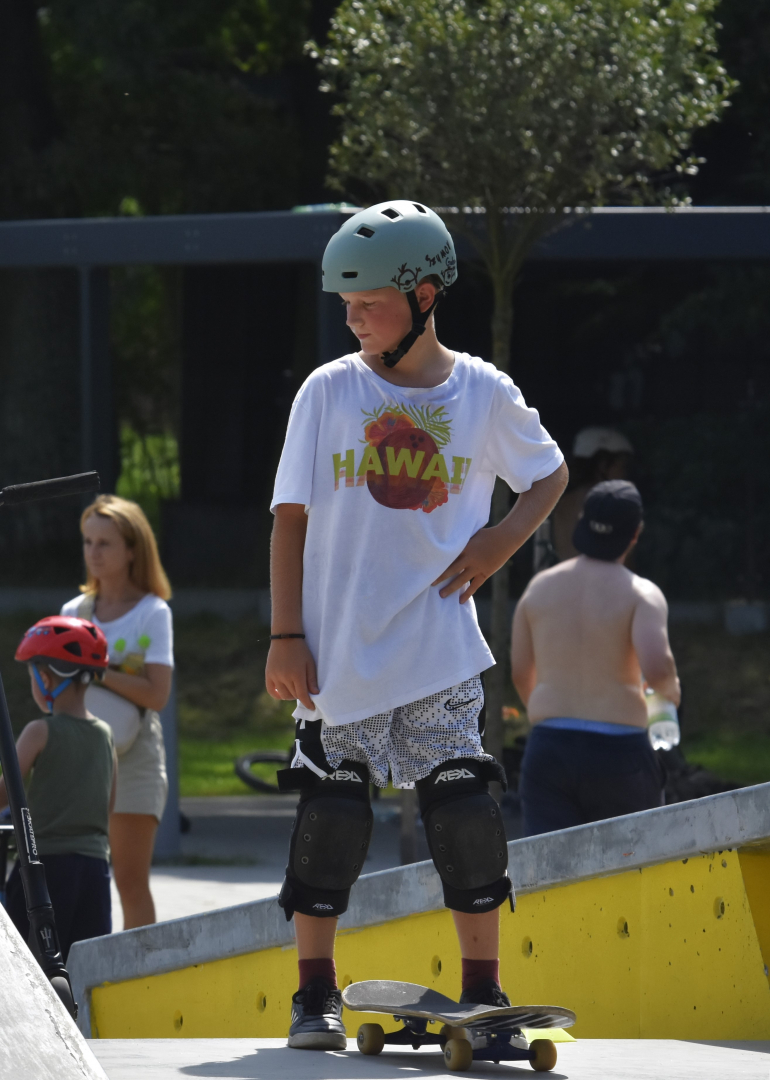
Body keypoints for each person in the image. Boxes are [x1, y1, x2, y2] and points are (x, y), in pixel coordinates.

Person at [264, 201, 568, 1050]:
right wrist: (285, 634)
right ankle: (313, 995)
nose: (353, 318)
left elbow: (546, 474)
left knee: (464, 813)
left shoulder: (482, 393)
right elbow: (288, 519)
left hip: (439, 648)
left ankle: (484, 991)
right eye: (345, 304)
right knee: (331, 817)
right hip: (337, 652)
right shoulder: (328, 390)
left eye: (368, 303)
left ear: (424, 296)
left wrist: (501, 538)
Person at [512, 481, 676, 835]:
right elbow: (658, 669)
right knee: (632, 860)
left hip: (549, 748)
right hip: (620, 751)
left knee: (551, 862)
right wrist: (670, 695)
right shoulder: (642, 594)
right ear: (635, 534)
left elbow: (521, 671)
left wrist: (552, 715)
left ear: (582, 522)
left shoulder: (539, 588)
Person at [0, 616, 118, 953]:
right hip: (95, 870)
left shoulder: (40, 731)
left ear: (45, 678)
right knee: (84, 963)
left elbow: (6, 791)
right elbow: (108, 803)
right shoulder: (106, 735)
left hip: (45, 869)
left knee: (30, 962)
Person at [60, 494, 174, 929]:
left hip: (134, 760)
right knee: (77, 876)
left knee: (129, 880)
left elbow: (157, 694)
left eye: (105, 543)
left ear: (132, 549)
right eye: (88, 542)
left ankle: (141, 968)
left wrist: (95, 669)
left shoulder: (153, 612)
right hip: (81, 758)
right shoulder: (74, 612)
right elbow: (53, 689)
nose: (93, 552)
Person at [536, 426, 634, 568]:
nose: (624, 473)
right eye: (622, 466)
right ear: (603, 465)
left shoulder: (562, 502)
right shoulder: (609, 503)